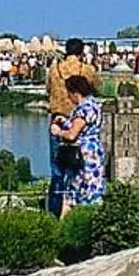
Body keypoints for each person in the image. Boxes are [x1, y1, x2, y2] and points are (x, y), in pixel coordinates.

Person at [44, 37, 100, 215]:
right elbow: (98, 88)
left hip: (58, 122)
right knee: (80, 171)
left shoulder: (54, 70)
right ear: (81, 52)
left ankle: (55, 210)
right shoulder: (88, 70)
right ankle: (78, 208)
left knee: (57, 170)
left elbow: (48, 90)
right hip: (82, 128)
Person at [51, 73, 106, 213]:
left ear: (76, 93)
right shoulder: (95, 104)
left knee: (75, 194)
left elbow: (72, 134)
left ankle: (64, 229)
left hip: (82, 156)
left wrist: (58, 132)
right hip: (94, 153)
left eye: (69, 94)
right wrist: (64, 121)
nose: (68, 98)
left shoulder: (84, 109)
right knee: (90, 193)